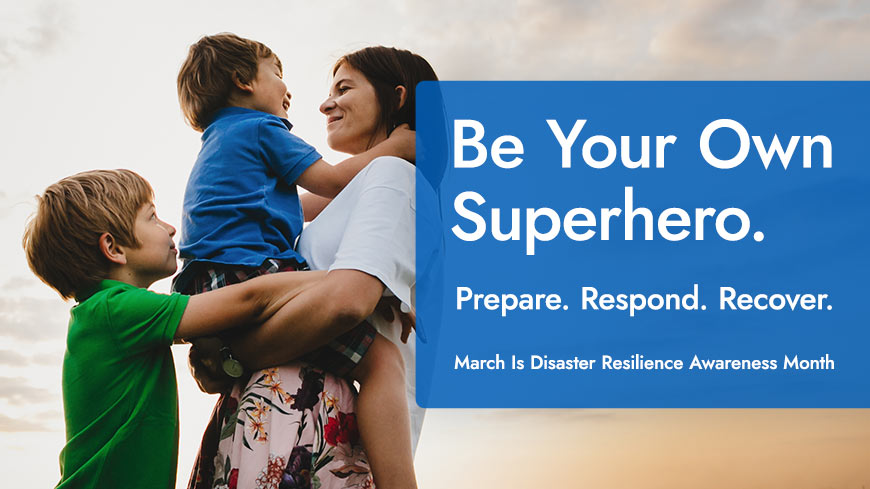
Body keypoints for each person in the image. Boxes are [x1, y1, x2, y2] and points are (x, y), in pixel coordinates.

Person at [175, 34, 425, 488]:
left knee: (382, 359)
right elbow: (316, 200)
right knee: (380, 359)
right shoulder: (345, 191)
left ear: (397, 97)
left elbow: (346, 300)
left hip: (298, 421)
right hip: (277, 415)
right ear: (242, 81)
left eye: (343, 89)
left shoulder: (389, 175)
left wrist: (231, 355)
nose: (324, 104)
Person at [21, 169, 372, 489]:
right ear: (113, 248)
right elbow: (250, 300)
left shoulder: (105, 316)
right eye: (152, 217)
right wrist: (350, 280)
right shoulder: (113, 310)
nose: (171, 228)